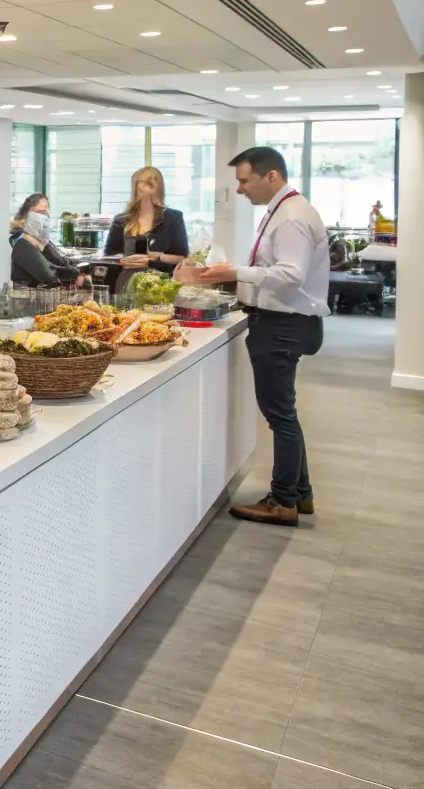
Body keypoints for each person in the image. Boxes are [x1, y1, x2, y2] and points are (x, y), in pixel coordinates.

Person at [194, 146, 328, 526]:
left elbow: (290, 275)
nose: (239, 189)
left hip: (283, 324)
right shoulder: (283, 210)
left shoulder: (292, 217)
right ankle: (300, 494)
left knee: (280, 416)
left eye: (244, 181)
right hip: (282, 321)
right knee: (284, 414)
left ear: (271, 176)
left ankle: (282, 501)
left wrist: (234, 272)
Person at [104, 166, 189, 274]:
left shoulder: (173, 218)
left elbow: (182, 258)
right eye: (143, 182)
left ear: (159, 187)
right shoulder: (121, 220)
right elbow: (109, 256)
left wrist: (155, 259)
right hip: (125, 280)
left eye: (150, 183)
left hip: (161, 281)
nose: (145, 187)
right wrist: (123, 262)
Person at [9, 193, 88, 287]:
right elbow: (50, 276)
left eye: (47, 214)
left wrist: (81, 269)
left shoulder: (40, 240)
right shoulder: (23, 244)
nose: (45, 218)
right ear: (25, 216)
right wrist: (75, 276)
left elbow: (61, 262)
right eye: (40, 213)